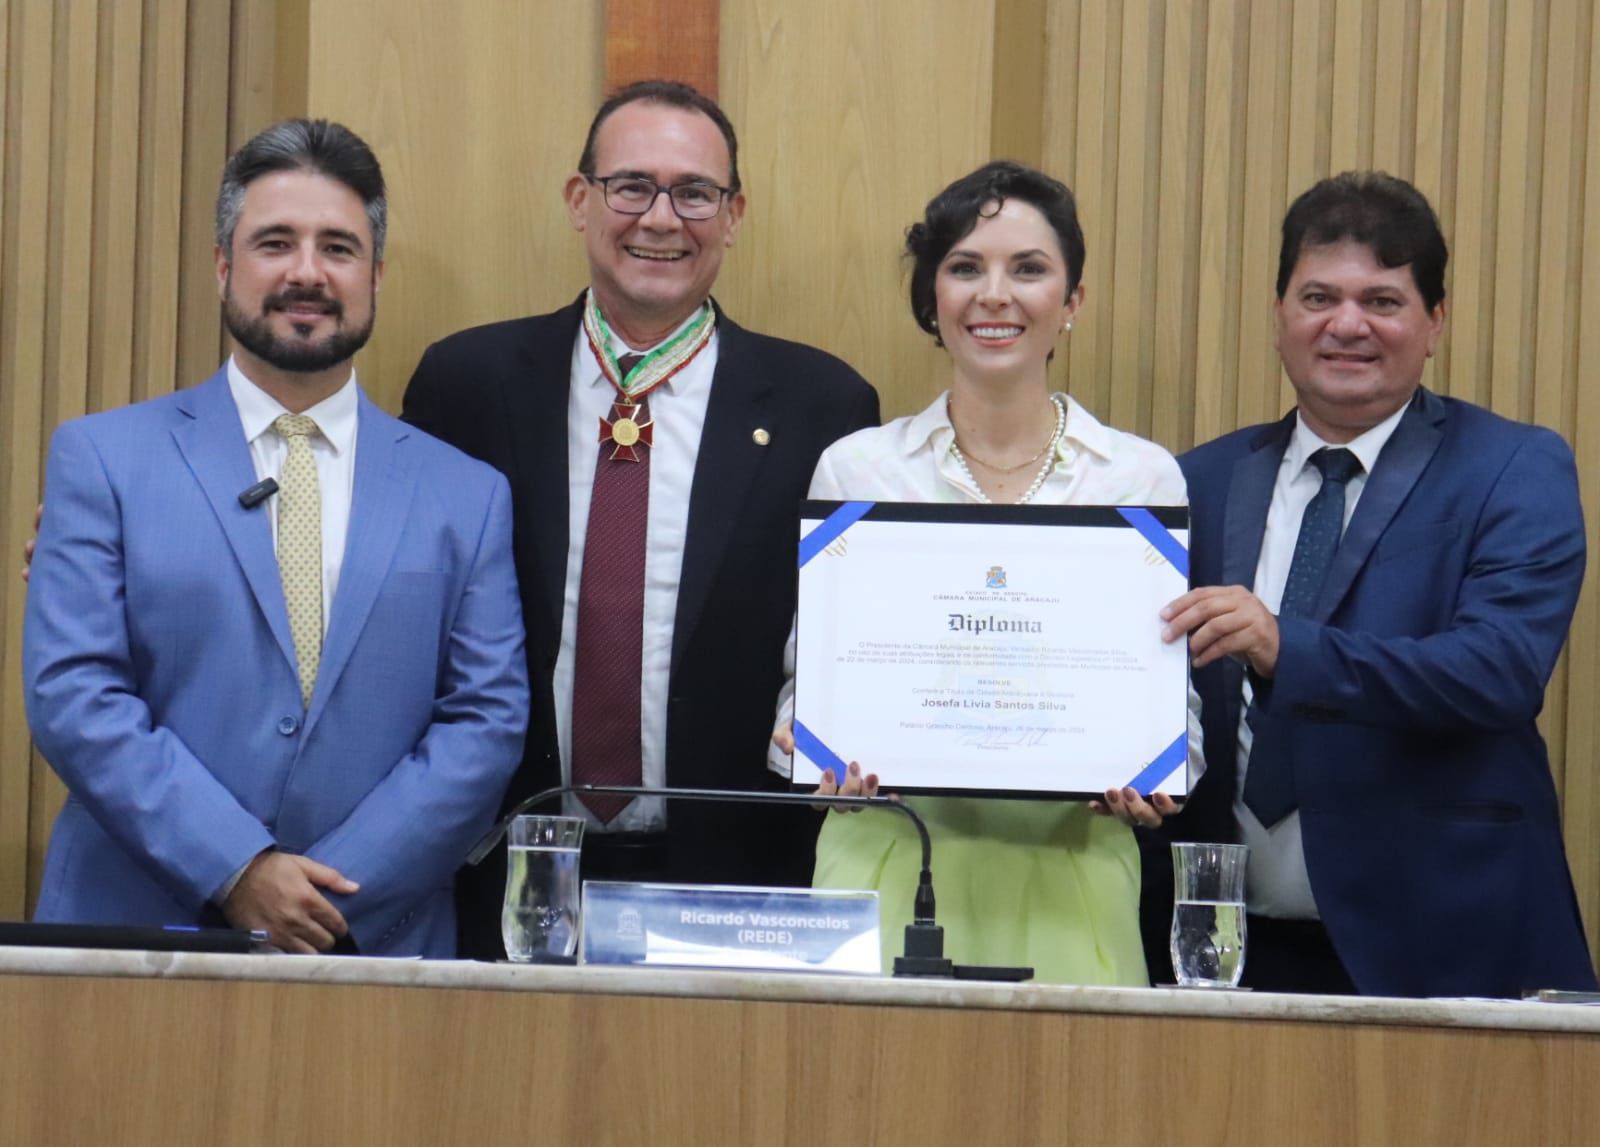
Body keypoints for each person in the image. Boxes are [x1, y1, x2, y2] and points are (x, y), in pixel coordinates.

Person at [23, 119, 528, 958]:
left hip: (374, 945)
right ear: (224, 266)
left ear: (375, 275)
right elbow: (75, 694)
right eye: (275, 242)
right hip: (129, 946)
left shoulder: (467, 495)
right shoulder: (102, 459)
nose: (306, 272)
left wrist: (323, 895)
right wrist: (238, 866)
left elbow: (484, 721)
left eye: (338, 247)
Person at [401, 81, 879, 960]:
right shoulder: (465, 386)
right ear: (580, 200)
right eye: (631, 186)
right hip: (502, 866)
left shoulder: (824, 406)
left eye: (695, 193)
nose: (662, 218)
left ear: (734, 215)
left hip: (739, 885)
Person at [1154, 171, 1598, 997]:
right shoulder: (1195, 481)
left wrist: (1289, 646)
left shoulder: (1512, 466)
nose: (1346, 324)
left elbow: (1499, 670)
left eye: (1383, 301)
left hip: (1443, 946)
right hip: (1218, 958)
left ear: (1435, 321)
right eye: (1318, 296)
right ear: (1280, 314)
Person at [769, 161, 1198, 985]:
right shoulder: (859, 469)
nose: (993, 294)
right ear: (933, 299)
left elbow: (1167, 699)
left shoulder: (1140, 480)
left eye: (1028, 269)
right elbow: (808, 683)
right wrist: (805, 739)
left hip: (1072, 871)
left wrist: (1162, 772)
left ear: (1073, 302)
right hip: (886, 857)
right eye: (965, 267)